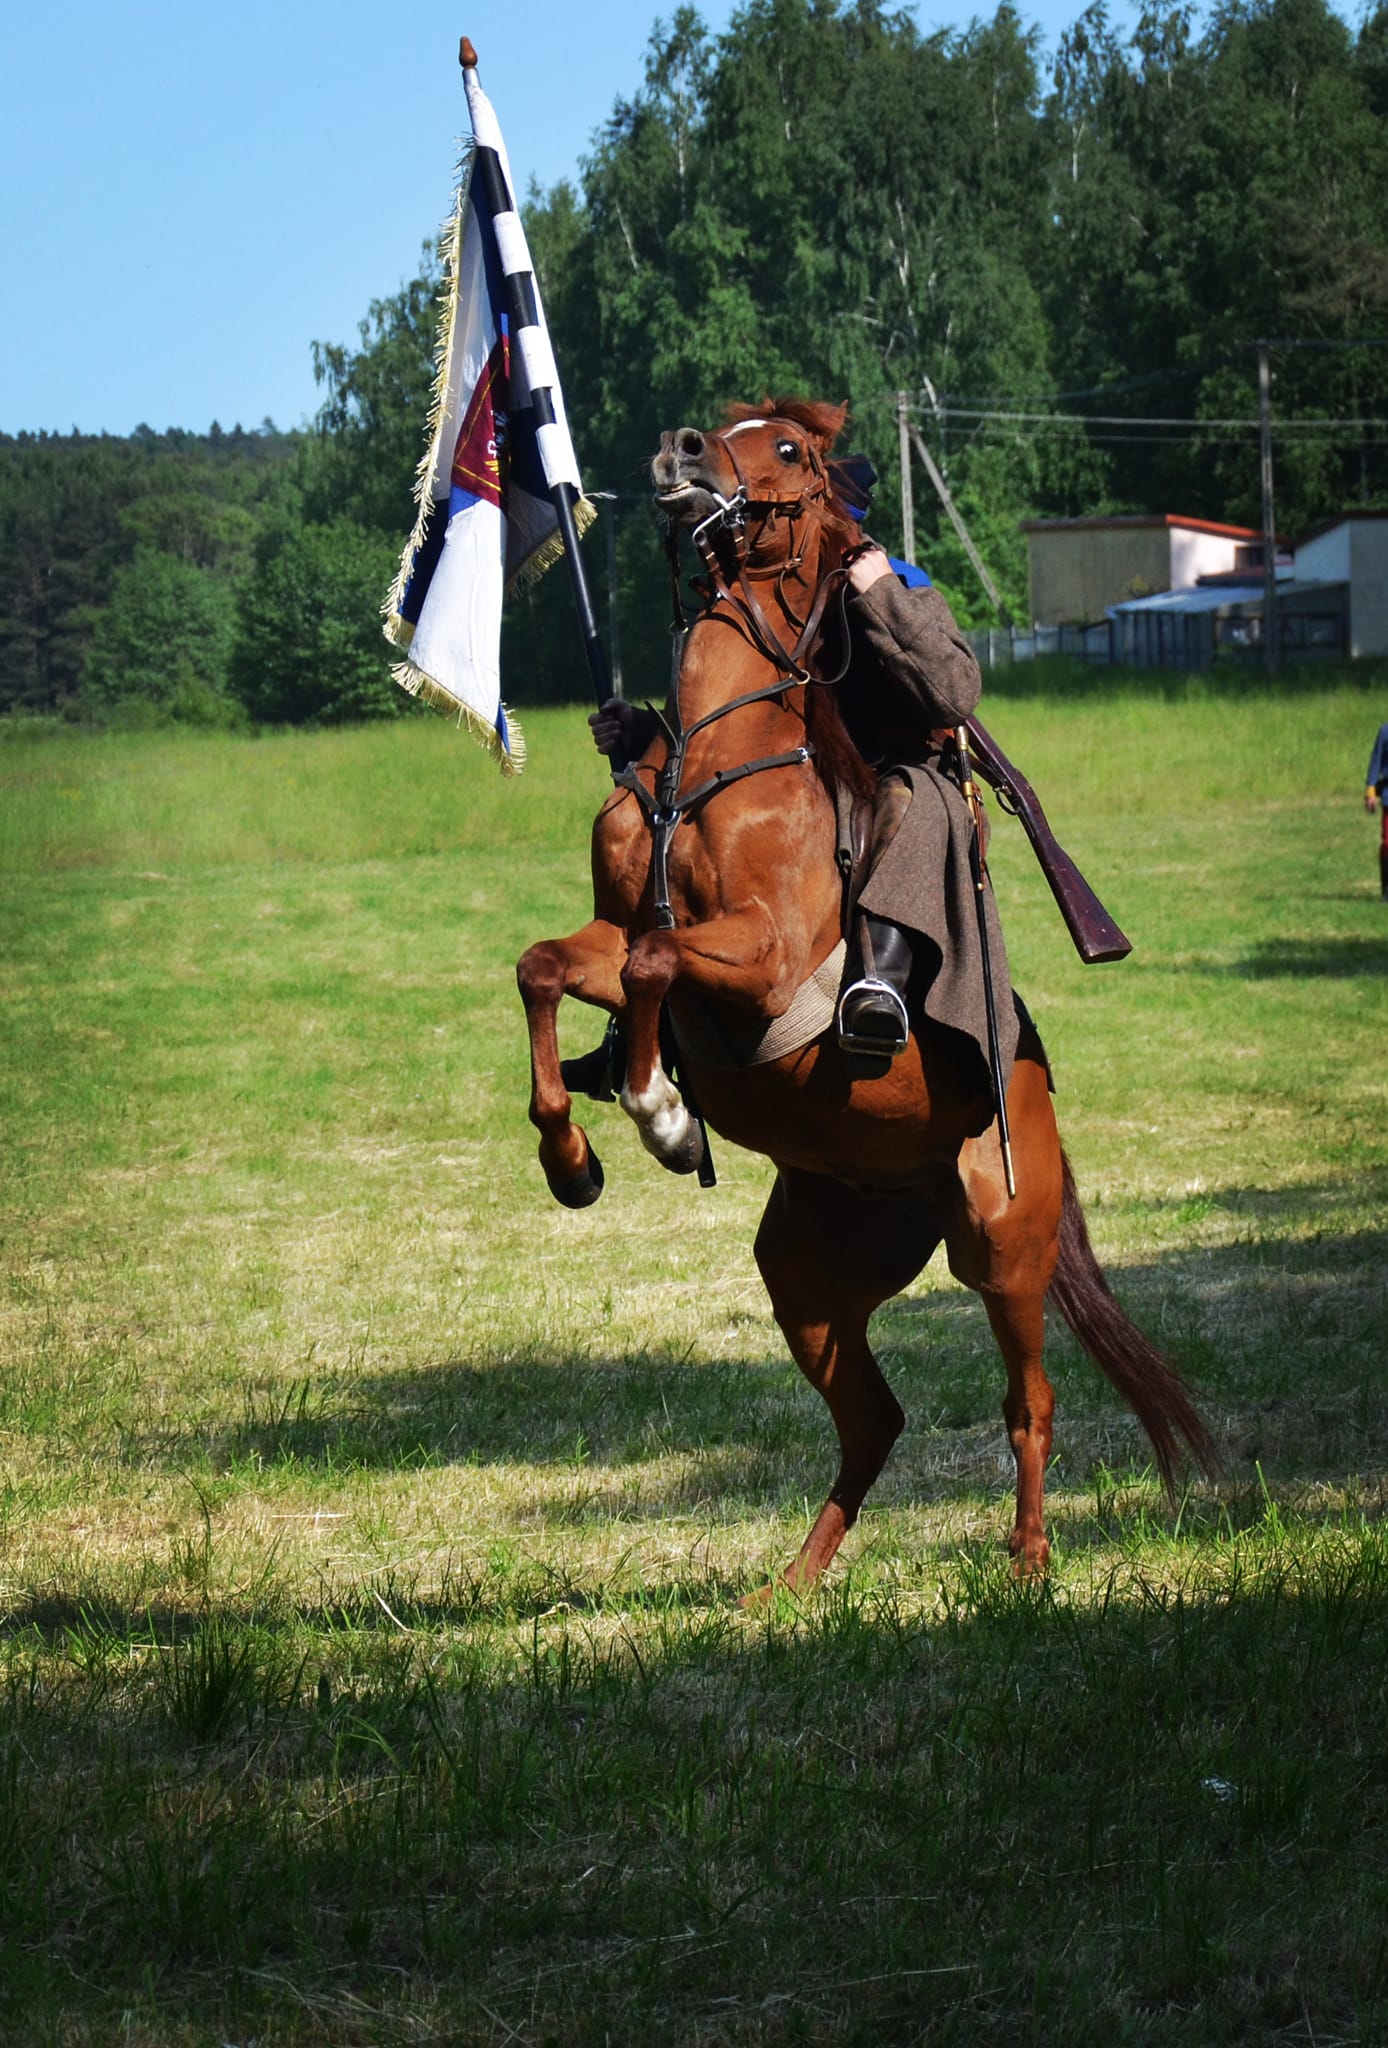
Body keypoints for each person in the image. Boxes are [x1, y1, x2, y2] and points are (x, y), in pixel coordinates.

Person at [581, 456, 1016, 1096]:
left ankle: (879, 984)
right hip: (797, 774)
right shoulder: (768, 597)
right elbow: (736, 722)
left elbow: (955, 692)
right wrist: (647, 738)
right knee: (674, 821)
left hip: (888, 769)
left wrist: (883, 596)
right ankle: (633, 1035)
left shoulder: (896, 580)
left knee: (907, 802)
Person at [1365, 719, 1388, 901]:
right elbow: (1376, 761)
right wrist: (1370, 790)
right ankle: (1386, 889)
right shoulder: (1385, 732)